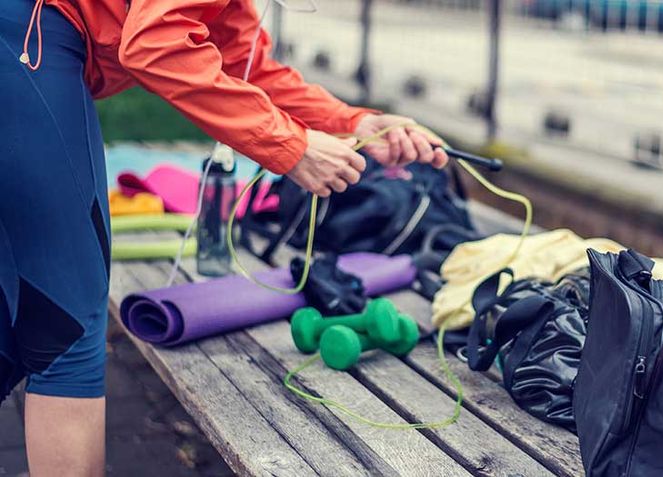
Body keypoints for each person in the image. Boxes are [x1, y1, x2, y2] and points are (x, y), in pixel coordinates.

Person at [0, 0, 447, 475]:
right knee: (66, 328)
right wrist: (291, 148)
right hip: (24, 40)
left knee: (14, 311)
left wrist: (352, 122)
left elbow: (238, 60)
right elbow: (154, 43)